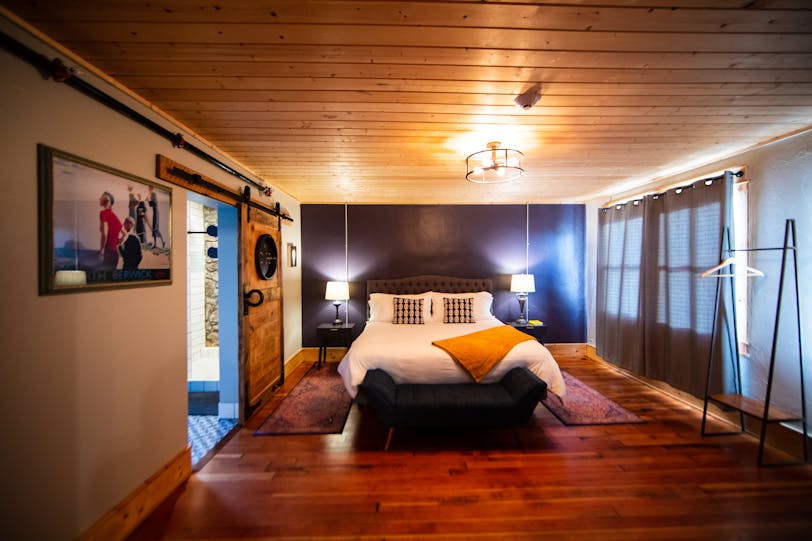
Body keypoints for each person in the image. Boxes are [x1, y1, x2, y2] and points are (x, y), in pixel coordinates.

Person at [98, 191, 123, 270]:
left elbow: (105, 234)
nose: (99, 199)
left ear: (107, 201)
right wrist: (117, 243)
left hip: (108, 252)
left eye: (102, 197)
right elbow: (126, 234)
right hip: (115, 253)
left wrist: (101, 251)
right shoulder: (114, 216)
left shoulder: (103, 213)